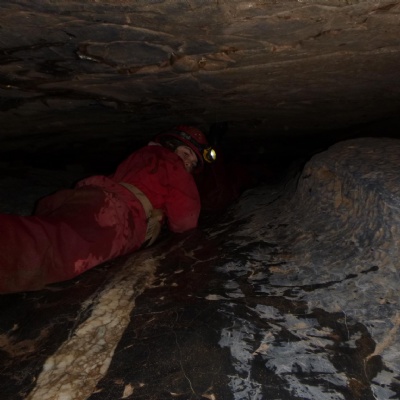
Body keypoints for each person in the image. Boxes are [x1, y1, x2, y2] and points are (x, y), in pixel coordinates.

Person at [0, 125, 216, 294]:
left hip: (87, 195)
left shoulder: (144, 153)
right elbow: (185, 221)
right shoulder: (174, 163)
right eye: (186, 153)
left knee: (46, 229)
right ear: (172, 146)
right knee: (52, 253)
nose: (187, 163)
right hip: (114, 213)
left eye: (192, 162)